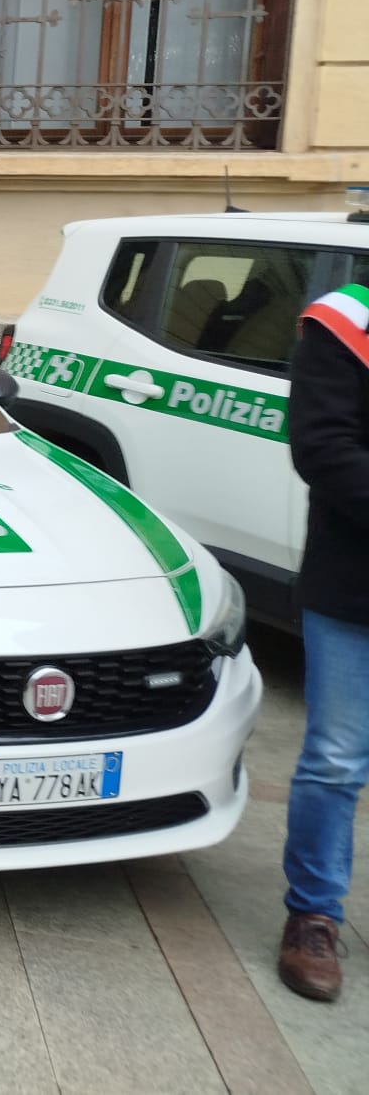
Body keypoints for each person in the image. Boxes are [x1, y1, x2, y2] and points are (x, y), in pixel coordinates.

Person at [276, 280, 369, 1001]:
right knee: (337, 759)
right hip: (356, 585)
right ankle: (314, 914)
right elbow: (323, 448)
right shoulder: (344, 322)